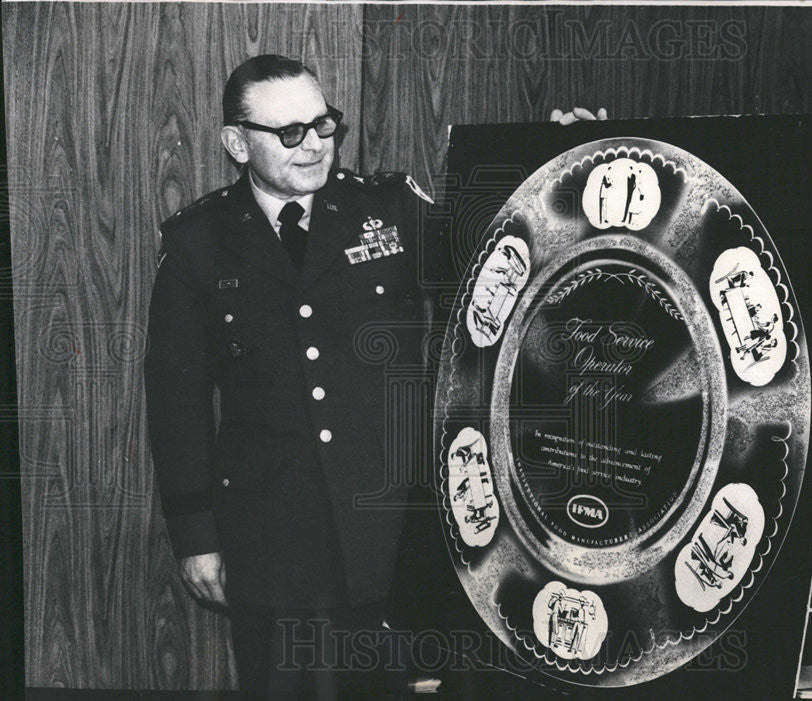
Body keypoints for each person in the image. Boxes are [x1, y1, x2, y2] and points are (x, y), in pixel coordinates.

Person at [144, 53, 605, 696]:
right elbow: (176, 401)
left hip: (395, 530)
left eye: (323, 125)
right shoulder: (199, 241)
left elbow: (501, 260)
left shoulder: (388, 208)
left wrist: (564, 158)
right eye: (289, 133)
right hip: (274, 538)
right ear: (235, 143)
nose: (314, 147)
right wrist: (196, 536)